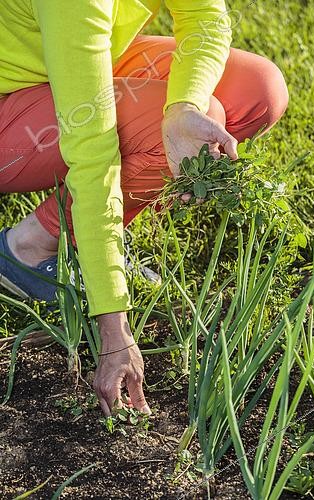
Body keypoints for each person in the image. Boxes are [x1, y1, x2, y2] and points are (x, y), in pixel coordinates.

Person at [0, 0, 289, 417]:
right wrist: (113, 328)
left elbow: (204, 17)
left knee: (255, 91)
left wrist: (184, 106)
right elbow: (92, 156)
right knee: (149, 126)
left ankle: (86, 241)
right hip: (16, 102)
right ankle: (27, 249)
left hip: (72, 62)